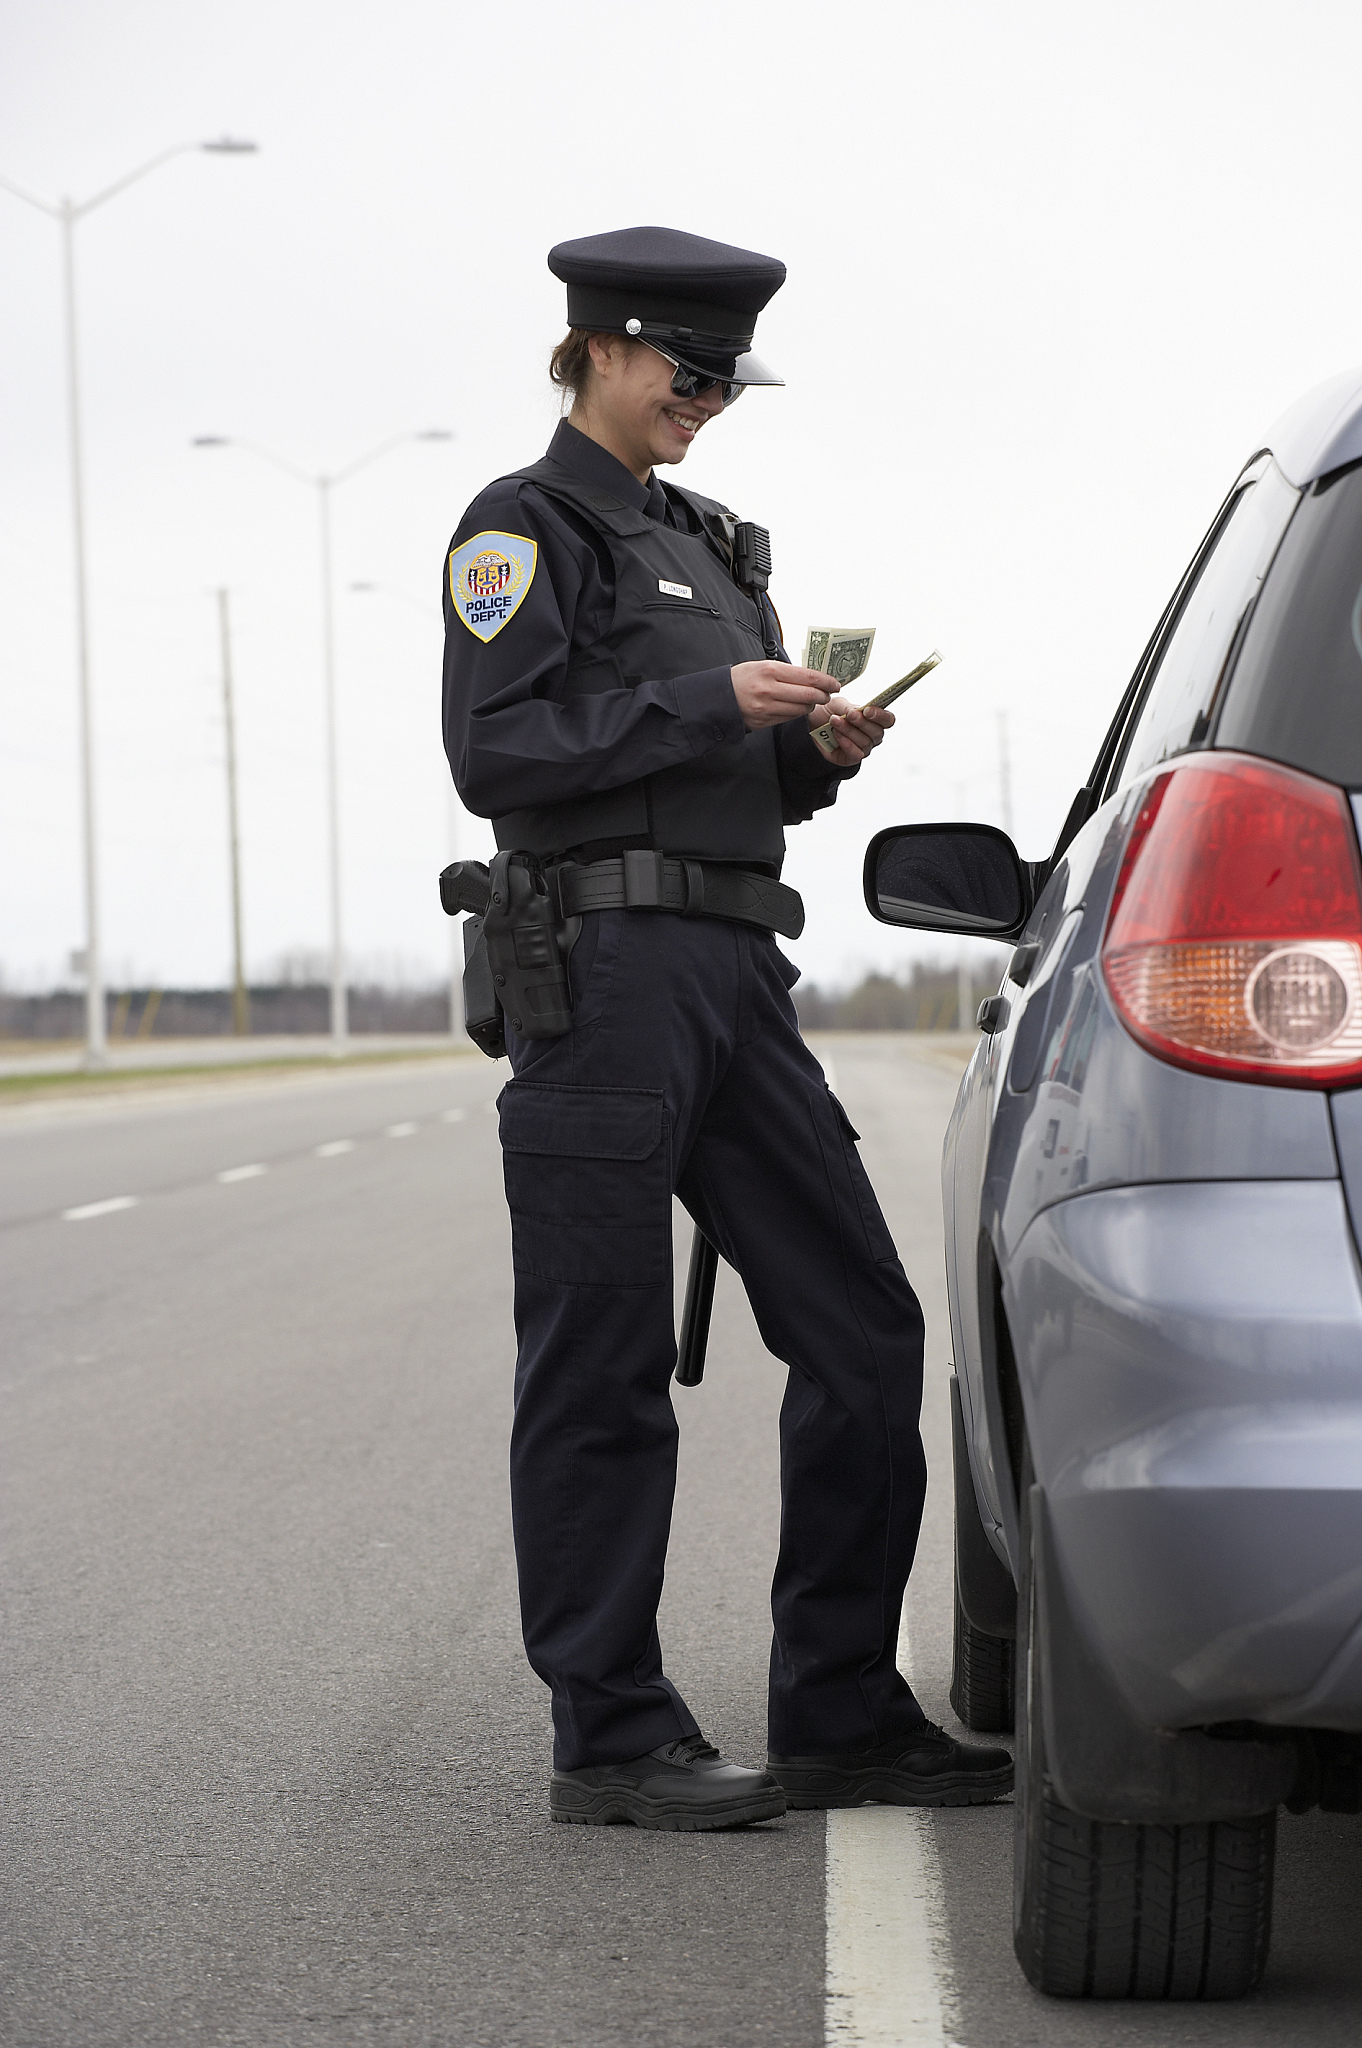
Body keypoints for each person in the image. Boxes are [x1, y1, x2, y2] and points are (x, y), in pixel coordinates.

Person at [442, 225, 1012, 1830]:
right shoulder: (523, 526)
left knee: (860, 1326)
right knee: (603, 1361)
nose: (708, 401)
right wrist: (710, 702)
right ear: (602, 352)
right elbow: (500, 754)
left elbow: (733, 783)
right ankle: (610, 1737)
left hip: (734, 974)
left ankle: (835, 1709)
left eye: (723, 380)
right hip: (600, 971)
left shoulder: (716, 539)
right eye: (687, 373)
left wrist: (815, 752)